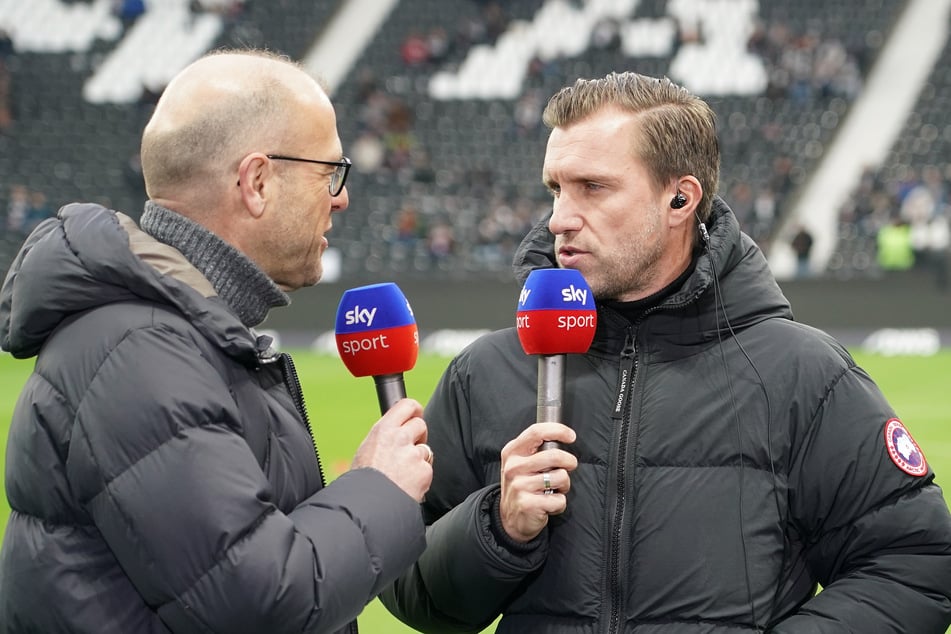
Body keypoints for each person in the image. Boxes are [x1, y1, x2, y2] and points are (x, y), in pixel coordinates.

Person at [380, 72, 951, 632]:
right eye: (556, 188)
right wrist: (496, 529)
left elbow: (915, 567)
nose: (558, 219)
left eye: (592, 187)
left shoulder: (805, 376)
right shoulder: (485, 374)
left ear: (680, 198)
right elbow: (412, 590)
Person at [0, 49, 434, 634]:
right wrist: (379, 488)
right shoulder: (140, 349)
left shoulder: (175, 335)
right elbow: (258, 602)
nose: (341, 197)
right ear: (256, 182)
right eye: (328, 172)